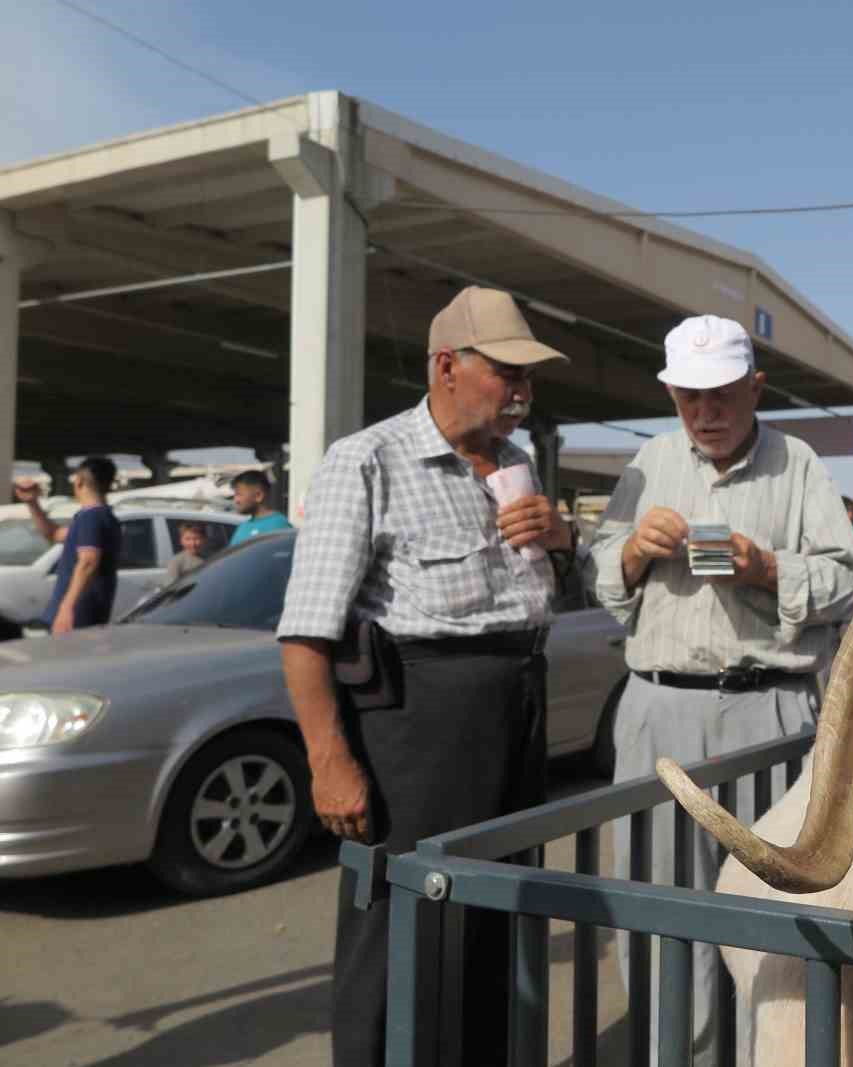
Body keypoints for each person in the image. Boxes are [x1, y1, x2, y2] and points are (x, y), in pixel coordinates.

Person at [276, 286, 574, 1067]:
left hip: (516, 701)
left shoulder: (517, 460)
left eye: (529, 378)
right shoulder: (365, 460)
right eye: (506, 372)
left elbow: (538, 587)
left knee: (493, 915)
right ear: (446, 365)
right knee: (400, 920)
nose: (522, 391)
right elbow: (307, 632)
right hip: (416, 719)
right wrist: (328, 759)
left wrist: (560, 533)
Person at [587, 313, 853, 1060]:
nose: (705, 414)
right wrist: (632, 555)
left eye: (721, 395)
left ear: (756, 387)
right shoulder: (650, 459)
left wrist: (768, 568)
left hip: (765, 710)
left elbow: (851, 578)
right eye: (688, 396)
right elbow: (603, 578)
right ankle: (671, 1053)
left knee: (770, 909)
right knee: (654, 902)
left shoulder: (798, 462)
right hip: (657, 708)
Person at [17, 456, 123, 634]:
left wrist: (67, 608)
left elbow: (88, 561)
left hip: (77, 617)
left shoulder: (92, 516)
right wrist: (32, 503)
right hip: (81, 616)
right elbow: (54, 534)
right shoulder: (100, 517)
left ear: (79, 481)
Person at [227, 470, 292, 545]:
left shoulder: (278, 526)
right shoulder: (243, 526)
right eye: (235, 495)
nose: (236, 500)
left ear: (258, 496)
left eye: (239, 494)